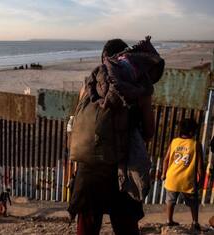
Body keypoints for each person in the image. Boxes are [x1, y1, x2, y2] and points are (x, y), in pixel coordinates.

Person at [68, 37, 161, 235]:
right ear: (128, 57)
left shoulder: (87, 86)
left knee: (87, 228)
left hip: (89, 171)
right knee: (126, 228)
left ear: (103, 58)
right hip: (122, 171)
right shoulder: (139, 88)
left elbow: (78, 126)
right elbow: (150, 131)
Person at [162, 118, 204, 231]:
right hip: (187, 180)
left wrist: (163, 174)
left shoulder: (174, 141)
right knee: (193, 202)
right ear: (191, 132)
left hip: (172, 178)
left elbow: (166, 160)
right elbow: (200, 165)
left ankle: (169, 220)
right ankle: (195, 222)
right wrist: (201, 179)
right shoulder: (196, 144)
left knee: (170, 201)